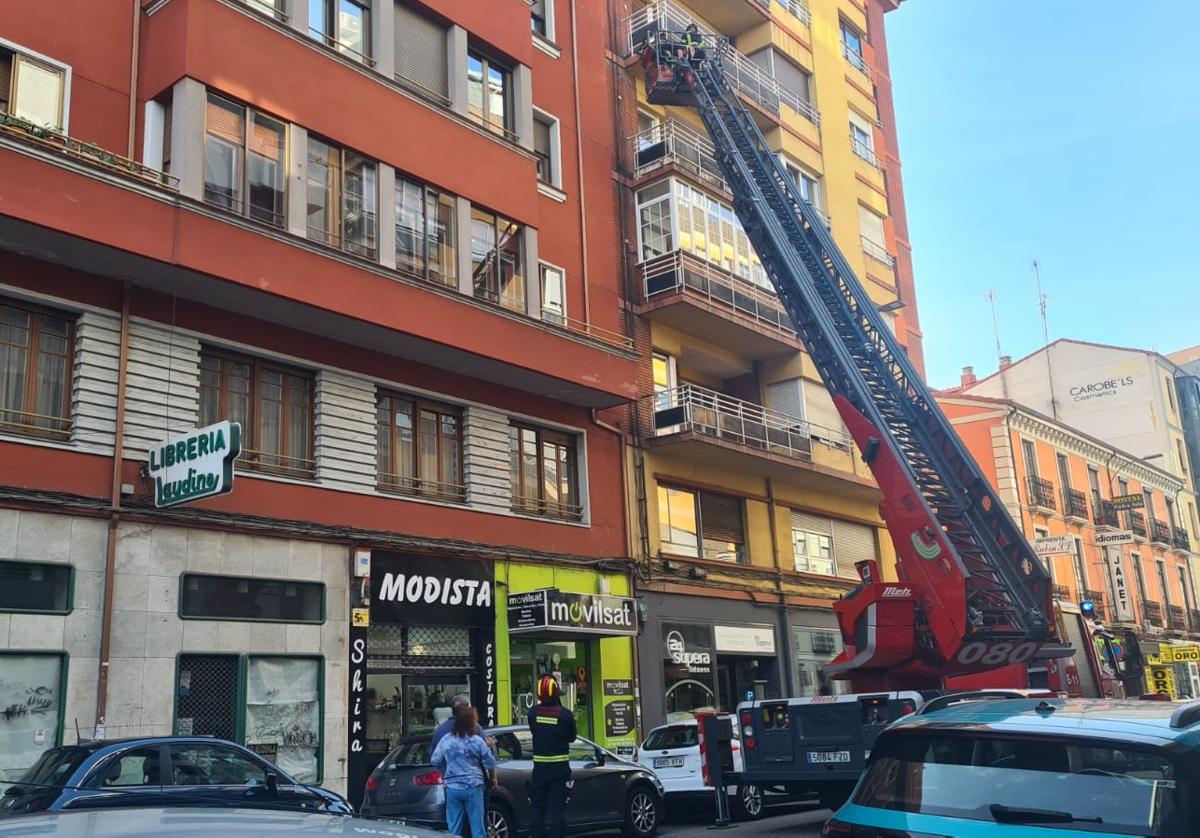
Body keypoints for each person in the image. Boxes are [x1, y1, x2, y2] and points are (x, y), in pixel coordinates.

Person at [430, 704, 496, 838]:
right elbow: (489, 762)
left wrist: (445, 773)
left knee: (453, 828)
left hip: (452, 788)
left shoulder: (446, 739)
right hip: (474, 787)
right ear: (471, 723)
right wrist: (493, 778)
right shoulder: (477, 741)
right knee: (477, 827)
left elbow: (435, 760)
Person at [527, 675, 576, 838]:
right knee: (557, 811)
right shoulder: (565, 715)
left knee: (537, 810)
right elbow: (572, 737)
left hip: (539, 771)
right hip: (560, 772)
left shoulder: (532, 714)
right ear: (555, 693)